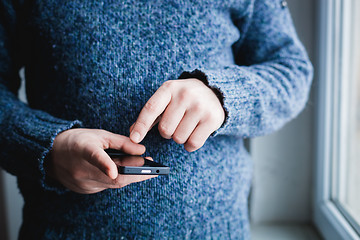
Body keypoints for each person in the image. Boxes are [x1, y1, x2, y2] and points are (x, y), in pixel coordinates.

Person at [0, 0, 313, 239]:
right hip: (63, 229)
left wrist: (223, 95)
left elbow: (292, 71)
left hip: (217, 229)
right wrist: (47, 146)